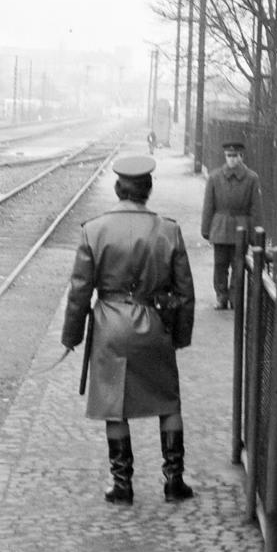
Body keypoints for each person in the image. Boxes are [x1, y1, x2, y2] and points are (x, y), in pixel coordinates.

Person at [61, 154, 196, 504]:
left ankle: (122, 485)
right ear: (148, 190)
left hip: (110, 326)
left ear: (118, 188)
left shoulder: (94, 230)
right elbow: (185, 293)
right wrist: (179, 337)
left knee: (114, 405)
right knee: (169, 402)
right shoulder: (169, 230)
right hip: (155, 324)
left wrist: (71, 337)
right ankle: (173, 481)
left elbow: (79, 291)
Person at [200, 139, 263, 309]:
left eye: (235, 156)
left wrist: (256, 233)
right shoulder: (214, 177)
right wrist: (206, 229)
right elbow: (208, 206)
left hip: (241, 228)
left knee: (238, 265)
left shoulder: (251, 178)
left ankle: (235, 297)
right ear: (225, 156)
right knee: (220, 264)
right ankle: (221, 296)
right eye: (229, 156)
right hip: (220, 227)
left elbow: (255, 208)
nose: (232, 159)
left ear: (241, 156)